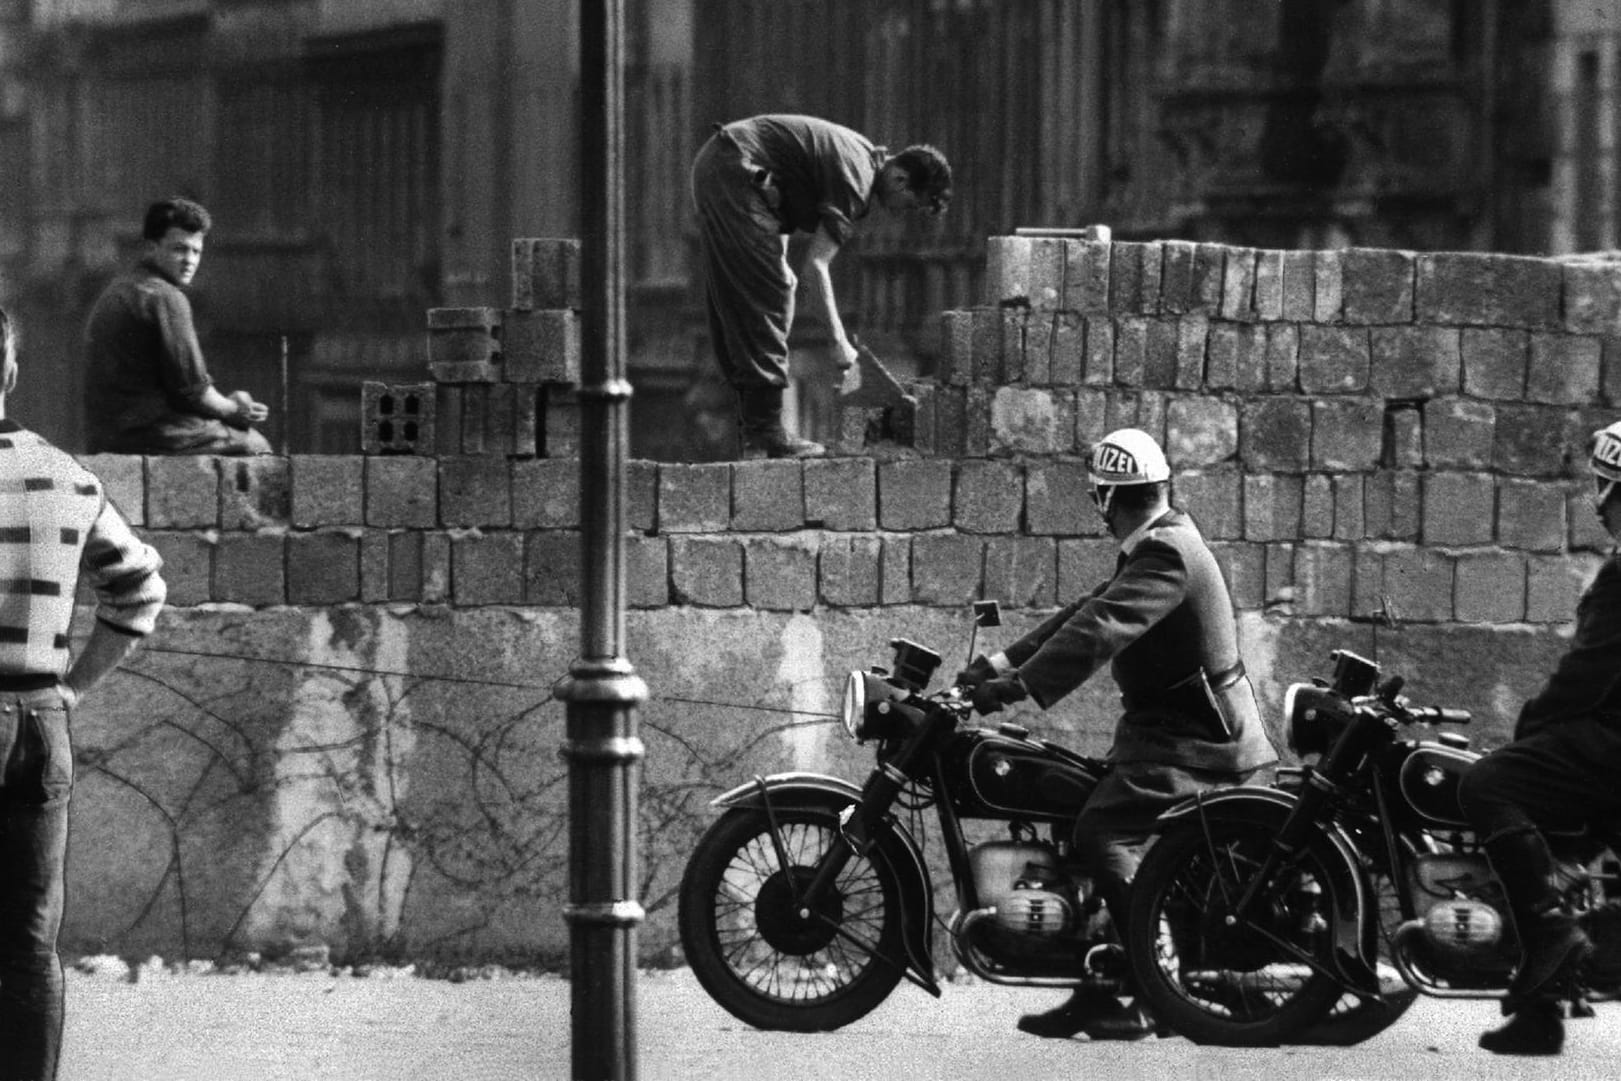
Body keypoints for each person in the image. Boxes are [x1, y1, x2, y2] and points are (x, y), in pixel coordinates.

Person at [957, 428, 1278, 1040]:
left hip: (1202, 744)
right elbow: (1084, 611)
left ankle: (1149, 988)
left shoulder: (1166, 554)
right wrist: (993, 668)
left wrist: (1012, 690)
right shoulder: (1160, 543)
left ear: (1106, 499)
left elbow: (1098, 631)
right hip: (1174, 735)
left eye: (1099, 501)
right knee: (1077, 810)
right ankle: (1101, 987)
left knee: (1103, 831)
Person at [0, 307, 167, 1081]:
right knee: (32, 944)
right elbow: (139, 590)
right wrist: (71, 687)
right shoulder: (68, 476)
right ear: (9, 371)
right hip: (37, 722)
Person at [1455, 419, 1621, 1056]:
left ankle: (1551, 934)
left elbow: (1589, 675)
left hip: (1612, 742)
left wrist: (1529, 730)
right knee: (1548, 842)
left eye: (1606, 485)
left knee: (1487, 783)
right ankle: (1538, 1013)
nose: (1599, 499)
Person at [690, 114, 952, 459]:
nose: (902, 214)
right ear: (901, 179)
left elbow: (781, 185)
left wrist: (779, 267)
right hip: (735, 170)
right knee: (770, 293)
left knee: (766, 286)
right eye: (911, 205)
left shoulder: (863, 155)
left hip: (729, 166)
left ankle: (757, 427)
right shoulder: (857, 179)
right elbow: (817, 266)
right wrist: (840, 344)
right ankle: (766, 431)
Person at [83, 197, 271, 455]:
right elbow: (194, 392)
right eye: (179, 249)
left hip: (106, 435)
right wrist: (235, 409)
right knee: (256, 446)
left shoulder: (118, 290)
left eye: (196, 251)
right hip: (150, 434)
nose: (189, 260)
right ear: (152, 248)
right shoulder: (165, 297)